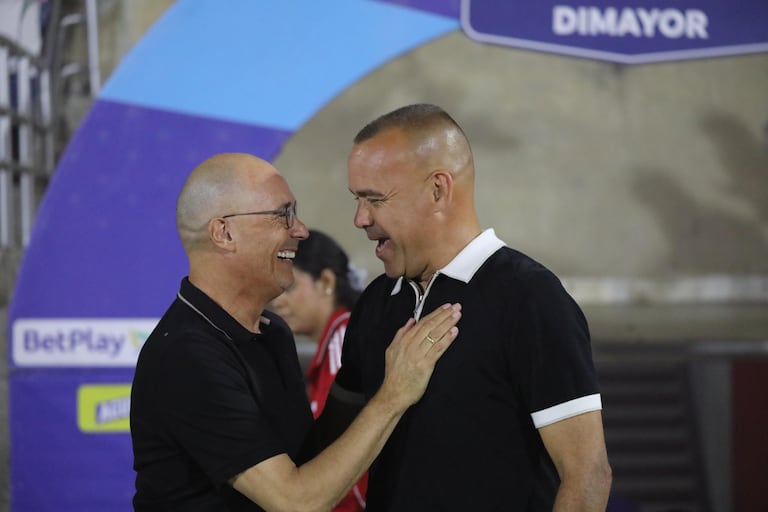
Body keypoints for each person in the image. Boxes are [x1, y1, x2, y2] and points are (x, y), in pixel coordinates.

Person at [129, 152, 462, 512]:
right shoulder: (186, 356)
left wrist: (352, 383)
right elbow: (294, 502)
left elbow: (308, 458)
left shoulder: (273, 335)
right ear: (224, 233)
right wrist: (393, 394)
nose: (300, 230)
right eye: (282, 214)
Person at [322, 104, 612, 511]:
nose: (359, 218)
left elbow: (587, 477)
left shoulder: (531, 298)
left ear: (438, 189)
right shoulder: (375, 303)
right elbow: (329, 452)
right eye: (357, 199)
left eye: (375, 199)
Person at [271, 229, 369, 511]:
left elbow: (350, 450)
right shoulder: (336, 343)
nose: (278, 301)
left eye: (289, 287)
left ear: (326, 281)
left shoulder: (344, 341)